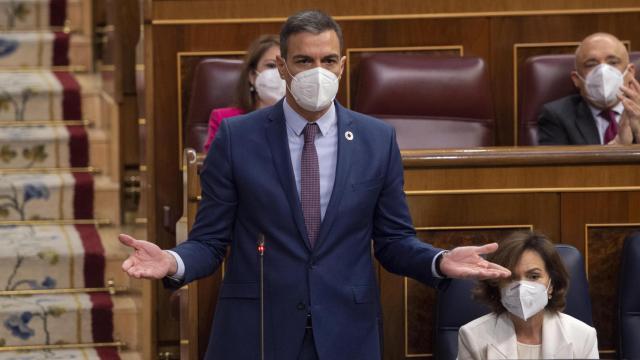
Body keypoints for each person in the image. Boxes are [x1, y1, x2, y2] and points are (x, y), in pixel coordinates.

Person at [118, 10, 510, 360]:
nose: (316, 71)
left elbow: (392, 241)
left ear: (342, 66)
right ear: (283, 68)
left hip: (346, 332)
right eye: (304, 60)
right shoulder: (238, 138)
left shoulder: (377, 140)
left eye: (327, 60)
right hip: (257, 330)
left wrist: (439, 261)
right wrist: (173, 261)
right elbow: (210, 240)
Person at [458, 231, 599, 360]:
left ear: (551, 285)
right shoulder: (472, 336)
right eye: (510, 277)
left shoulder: (583, 337)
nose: (520, 287)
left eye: (533, 276)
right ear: (496, 285)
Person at [538, 32, 640, 145]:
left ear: (630, 72)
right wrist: (617, 146)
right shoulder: (556, 115)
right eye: (591, 64)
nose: (602, 72)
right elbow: (556, 162)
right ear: (576, 79)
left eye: (613, 62)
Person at [203, 34, 285, 152]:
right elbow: (214, 167)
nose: (278, 74)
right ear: (252, 76)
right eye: (271, 65)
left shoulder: (304, 121)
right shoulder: (224, 120)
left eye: (284, 67)